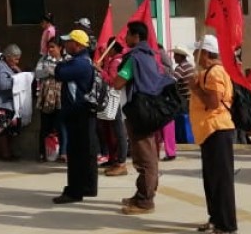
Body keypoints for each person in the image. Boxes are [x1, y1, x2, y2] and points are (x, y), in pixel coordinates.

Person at [112, 21, 173, 215]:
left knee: (145, 158)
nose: (125, 38)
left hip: (139, 112)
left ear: (136, 37)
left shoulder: (134, 58)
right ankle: (141, 194)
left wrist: (106, 75)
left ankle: (146, 201)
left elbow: (118, 82)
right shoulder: (150, 57)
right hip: (150, 110)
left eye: (128, 34)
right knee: (146, 155)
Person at [189, 34, 238, 234]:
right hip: (208, 131)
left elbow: (213, 102)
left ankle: (227, 224)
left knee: (221, 181)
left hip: (217, 129)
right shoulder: (207, 72)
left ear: (207, 53)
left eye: (198, 51)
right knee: (211, 180)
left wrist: (195, 88)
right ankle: (216, 217)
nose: (194, 55)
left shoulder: (215, 72)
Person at [52, 29, 97, 204]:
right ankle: (87, 186)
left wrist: (60, 63)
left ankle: (74, 191)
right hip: (81, 113)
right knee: (85, 152)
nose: (65, 45)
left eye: (68, 42)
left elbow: (59, 73)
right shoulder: (82, 61)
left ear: (77, 45)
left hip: (79, 113)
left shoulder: (80, 63)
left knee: (77, 153)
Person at [0, 44, 23, 161]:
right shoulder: (0, 67)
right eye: (15, 58)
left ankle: (10, 152)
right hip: (0, 104)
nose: (17, 61)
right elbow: (3, 85)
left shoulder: (11, 67)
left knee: (11, 132)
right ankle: (5, 154)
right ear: (8, 57)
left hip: (10, 105)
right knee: (2, 132)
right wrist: (17, 79)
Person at [34, 37, 66, 162]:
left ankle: (63, 153)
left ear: (60, 48)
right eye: (49, 47)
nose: (50, 49)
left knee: (61, 126)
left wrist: (54, 71)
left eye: (53, 47)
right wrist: (49, 71)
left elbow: (65, 74)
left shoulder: (66, 60)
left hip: (61, 96)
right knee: (45, 126)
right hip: (46, 96)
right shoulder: (43, 59)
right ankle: (43, 153)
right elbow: (37, 73)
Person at [99, 42, 129, 176]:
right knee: (115, 131)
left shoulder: (116, 62)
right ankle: (115, 159)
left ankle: (121, 161)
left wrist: (100, 71)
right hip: (117, 99)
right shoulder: (117, 60)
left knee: (119, 131)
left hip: (116, 99)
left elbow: (112, 80)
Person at [171, 46, 196, 144]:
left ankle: (183, 138)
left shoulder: (180, 68)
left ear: (181, 56)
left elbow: (172, 81)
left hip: (185, 98)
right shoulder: (190, 66)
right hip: (192, 97)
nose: (174, 57)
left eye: (175, 55)